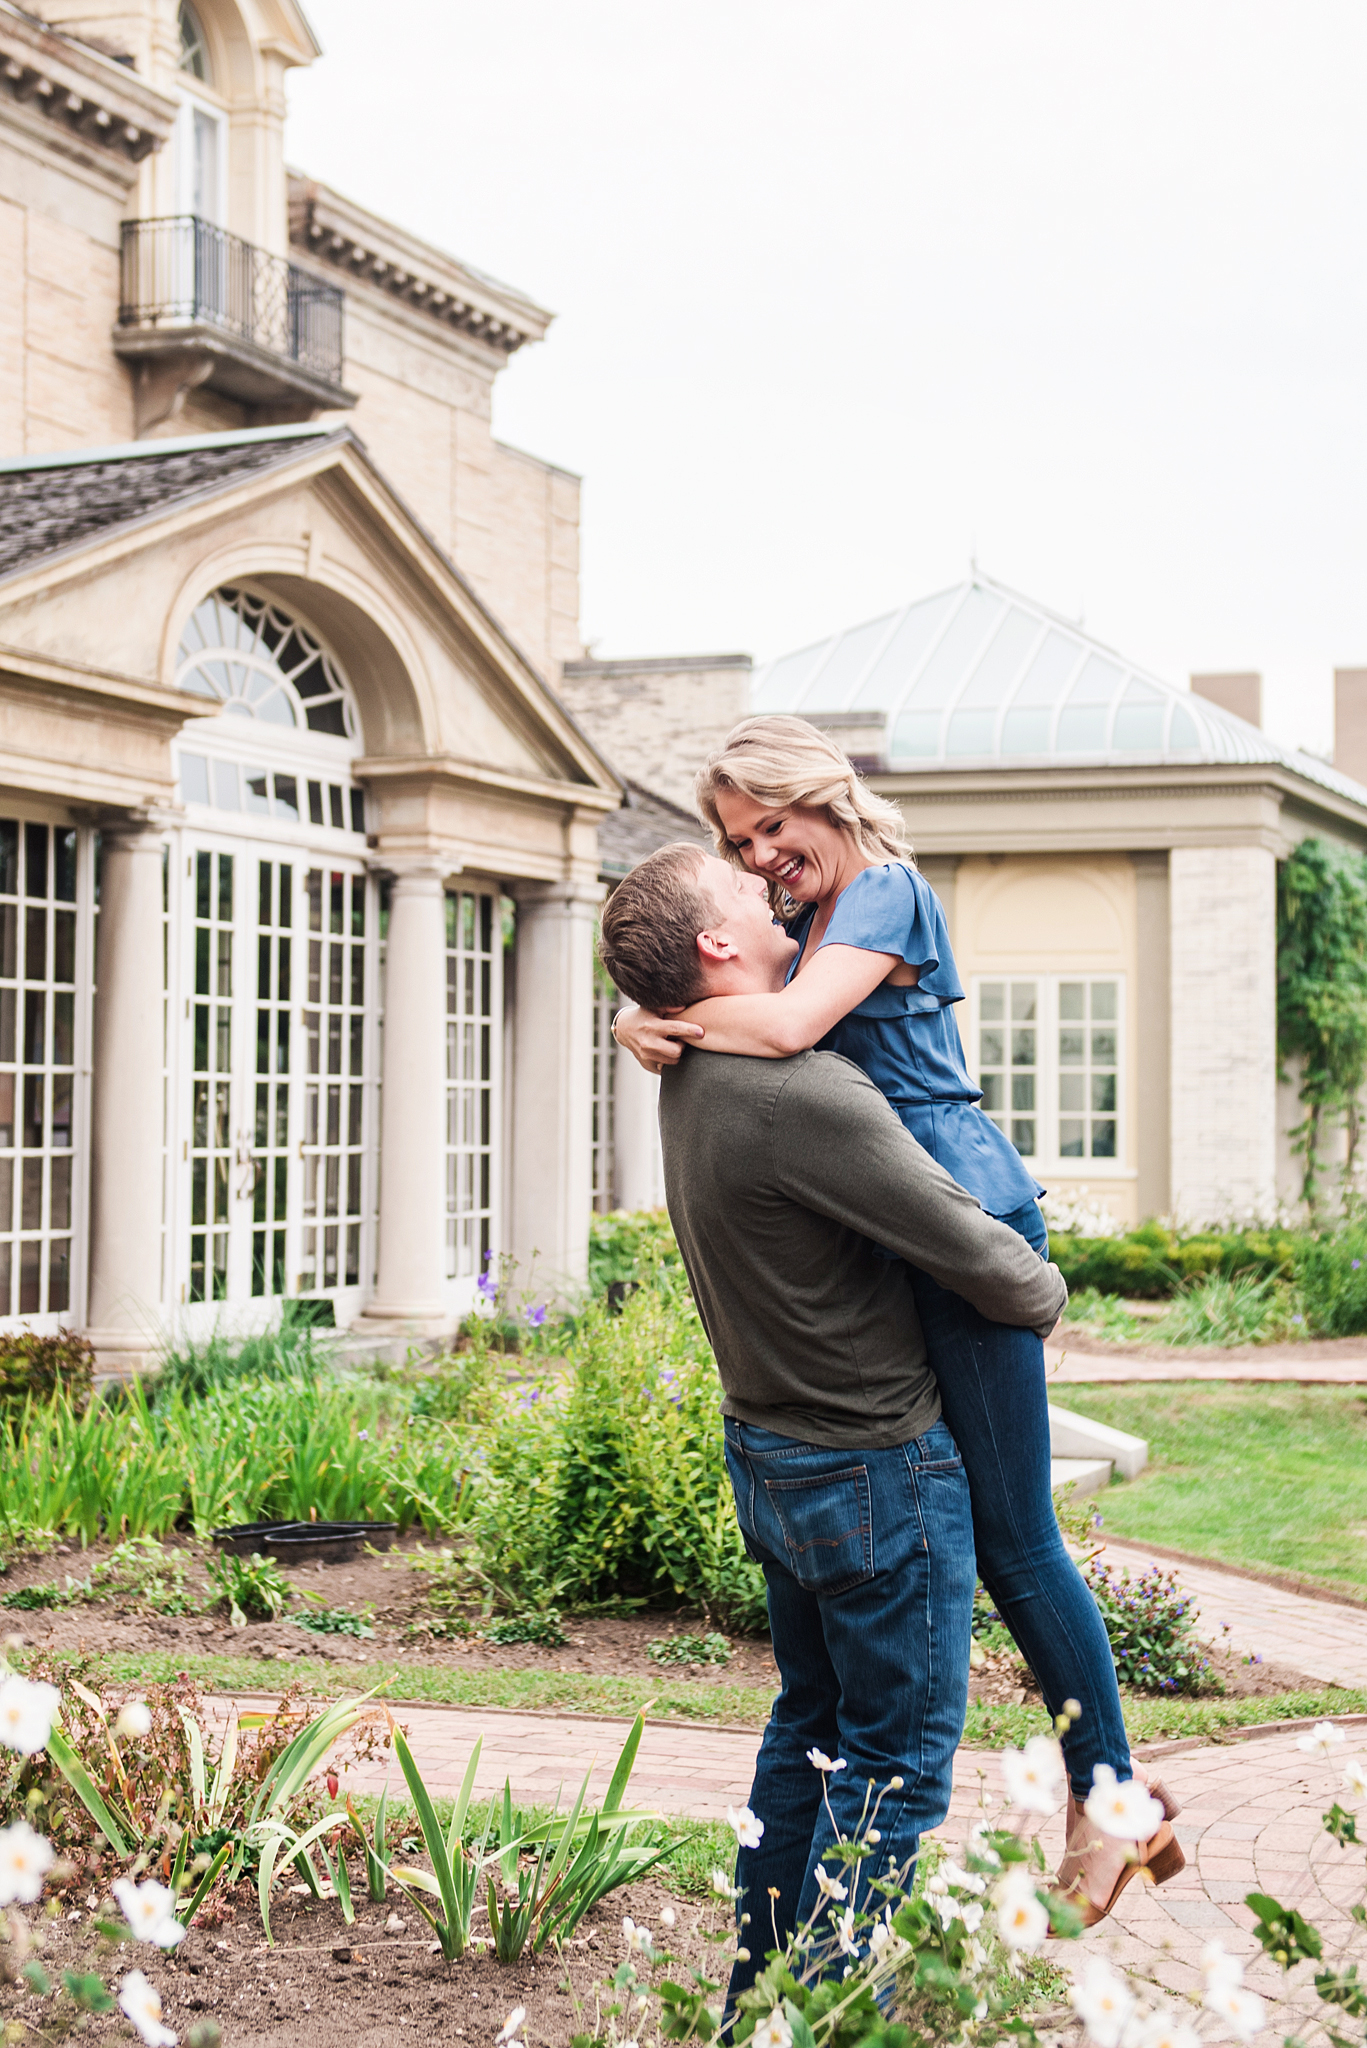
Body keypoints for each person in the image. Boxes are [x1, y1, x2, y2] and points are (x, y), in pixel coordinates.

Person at [612, 717, 1184, 1924]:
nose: (762, 854)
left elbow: (777, 1029)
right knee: (969, 1535)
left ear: (824, 799)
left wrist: (654, 1019)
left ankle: (1114, 1798)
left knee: (1012, 1534)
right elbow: (749, 1011)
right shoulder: (799, 922)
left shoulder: (883, 893)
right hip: (899, 1232)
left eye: (772, 824)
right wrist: (653, 1012)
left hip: (967, 1218)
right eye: (736, 840)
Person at [598, 840, 1072, 2007]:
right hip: (876, 1475)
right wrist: (1044, 1287)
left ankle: (750, 2004)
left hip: (772, 1456)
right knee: (893, 1772)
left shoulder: (690, 1071)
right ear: (717, 946)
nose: (768, 893)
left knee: (807, 1734)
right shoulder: (799, 1090)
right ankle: (810, 2019)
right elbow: (985, 1263)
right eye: (739, 890)